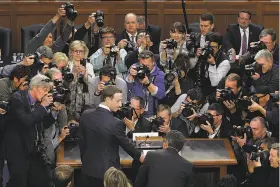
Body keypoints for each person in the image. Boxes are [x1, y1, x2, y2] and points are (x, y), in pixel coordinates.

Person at [79, 85, 144, 187]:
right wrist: (141, 157)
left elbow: (82, 143)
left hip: (87, 169)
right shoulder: (116, 123)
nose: (120, 104)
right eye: (118, 101)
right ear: (108, 99)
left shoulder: (85, 115)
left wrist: (86, 161)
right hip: (108, 175)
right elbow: (127, 145)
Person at [4, 74, 54, 187]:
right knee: (19, 182)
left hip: (34, 149)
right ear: (34, 87)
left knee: (41, 181)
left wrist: (54, 112)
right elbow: (27, 121)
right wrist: (43, 106)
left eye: (48, 90)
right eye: (44, 89)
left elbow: (44, 124)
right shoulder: (17, 98)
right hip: (18, 149)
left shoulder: (39, 102)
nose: (47, 93)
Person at [126, 50, 165, 118]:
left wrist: (148, 84)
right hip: (133, 112)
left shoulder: (159, 74)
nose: (145, 68)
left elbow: (161, 95)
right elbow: (127, 90)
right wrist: (130, 77)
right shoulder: (135, 68)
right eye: (143, 65)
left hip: (149, 114)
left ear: (153, 62)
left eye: (147, 66)